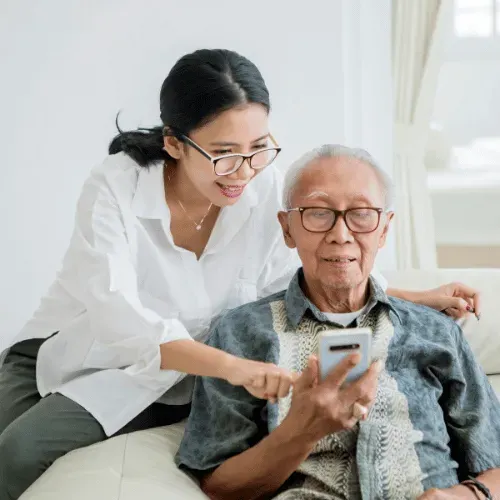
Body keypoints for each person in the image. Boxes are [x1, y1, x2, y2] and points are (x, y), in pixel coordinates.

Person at [0, 50, 480, 500]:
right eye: (223, 152)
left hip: (183, 372)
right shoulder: (116, 187)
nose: (242, 171)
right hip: (80, 349)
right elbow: (118, 319)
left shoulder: (260, 186)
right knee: (13, 452)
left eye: (258, 148)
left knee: (19, 452)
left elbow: (303, 268)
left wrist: (416, 295)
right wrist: (236, 368)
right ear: (173, 142)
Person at [176, 144, 500, 500]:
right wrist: (300, 431)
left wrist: (465, 497)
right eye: (317, 213)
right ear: (287, 228)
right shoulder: (239, 334)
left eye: (361, 214)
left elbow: (493, 460)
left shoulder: (436, 331)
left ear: (384, 229)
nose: (340, 234)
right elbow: (219, 485)